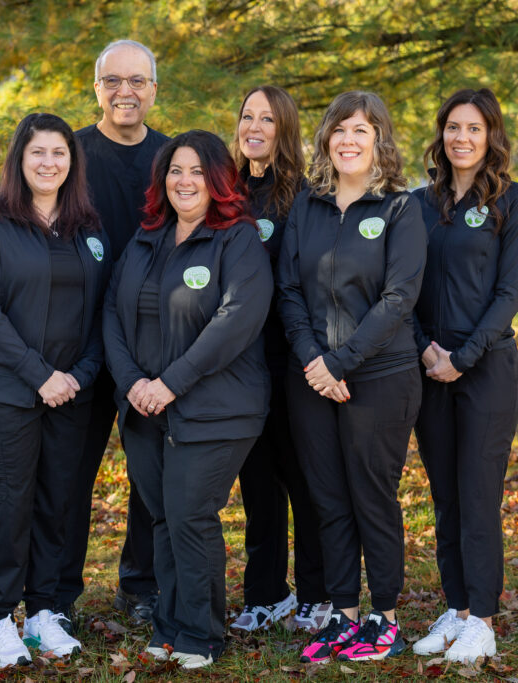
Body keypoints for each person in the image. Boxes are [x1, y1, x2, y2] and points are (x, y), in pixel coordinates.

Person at [103, 130, 273, 668]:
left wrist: (170, 383)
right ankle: (170, 626)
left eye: (197, 171)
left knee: (190, 515)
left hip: (217, 407)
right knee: (162, 516)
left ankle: (201, 634)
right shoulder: (146, 237)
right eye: (176, 170)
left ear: (218, 179)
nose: (185, 180)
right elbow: (112, 311)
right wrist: (132, 382)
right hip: (144, 406)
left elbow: (235, 321)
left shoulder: (237, 240)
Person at [0, 113, 111, 669]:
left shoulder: (88, 228)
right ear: (19, 160)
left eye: (59, 153)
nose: (49, 162)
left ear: (73, 161)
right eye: (37, 152)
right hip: (3, 391)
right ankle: (1, 619)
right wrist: (39, 374)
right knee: (6, 505)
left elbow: (104, 311)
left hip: (70, 394)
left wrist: (80, 375)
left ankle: (44, 612)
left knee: (56, 504)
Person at [276, 91, 426, 664]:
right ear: (325, 139)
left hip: (381, 377)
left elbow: (398, 299)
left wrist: (341, 363)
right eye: (340, 129)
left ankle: (384, 617)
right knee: (328, 499)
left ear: (379, 139)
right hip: (311, 378)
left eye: (361, 130)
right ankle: (343, 612)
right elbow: (289, 290)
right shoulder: (307, 207)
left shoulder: (400, 209)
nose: (348, 140)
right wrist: (315, 362)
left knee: (371, 496)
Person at [410, 88, 518, 664]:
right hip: (428, 367)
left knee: (478, 494)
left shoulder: (515, 202)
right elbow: (402, 287)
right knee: (445, 495)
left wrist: (461, 358)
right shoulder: (419, 203)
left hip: (485, 370)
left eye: (474, 129)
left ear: (491, 137)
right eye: (453, 127)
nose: (462, 138)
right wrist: (425, 351)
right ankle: (457, 609)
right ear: (441, 134)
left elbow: (509, 294)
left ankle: (483, 619)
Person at [57, 38, 170, 627]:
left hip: (150, 346)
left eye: (137, 81)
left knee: (149, 476)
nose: (126, 91)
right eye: (114, 81)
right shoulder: (69, 154)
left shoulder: (173, 157)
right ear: (96, 87)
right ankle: (56, 595)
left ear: (154, 90)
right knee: (70, 475)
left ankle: (141, 585)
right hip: (77, 343)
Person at [228, 85, 330, 633]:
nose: (255, 127)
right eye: (248, 116)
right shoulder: (227, 191)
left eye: (267, 119)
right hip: (242, 365)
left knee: (306, 482)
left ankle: (317, 594)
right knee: (258, 486)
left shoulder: (307, 196)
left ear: (285, 128)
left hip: (294, 361)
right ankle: (267, 594)